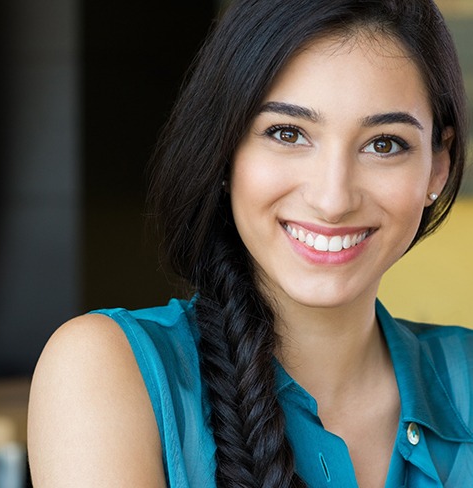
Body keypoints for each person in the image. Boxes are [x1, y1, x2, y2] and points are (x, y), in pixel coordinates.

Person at [27, 0, 473, 486]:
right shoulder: (109, 373)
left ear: (438, 166)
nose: (332, 198)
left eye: (383, 143)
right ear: (225, 151)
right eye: (287, 133)